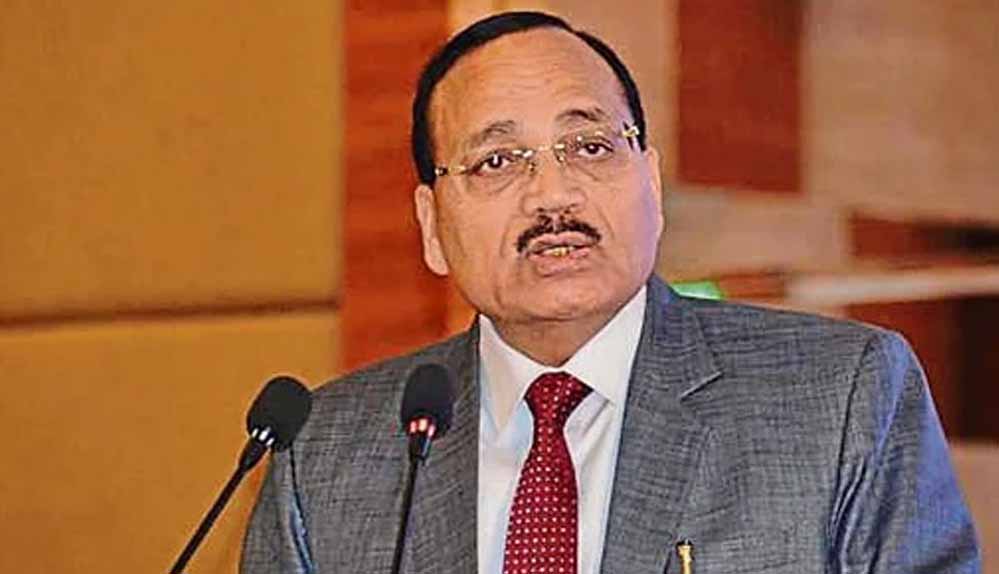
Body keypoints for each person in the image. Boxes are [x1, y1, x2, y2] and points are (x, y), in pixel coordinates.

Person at [241, 11, 980, 574]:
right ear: (431, 226)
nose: (552, 194)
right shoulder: (327, 452)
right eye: (498, 160)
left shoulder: (838, 397)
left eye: (590, 146)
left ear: (650, 184)